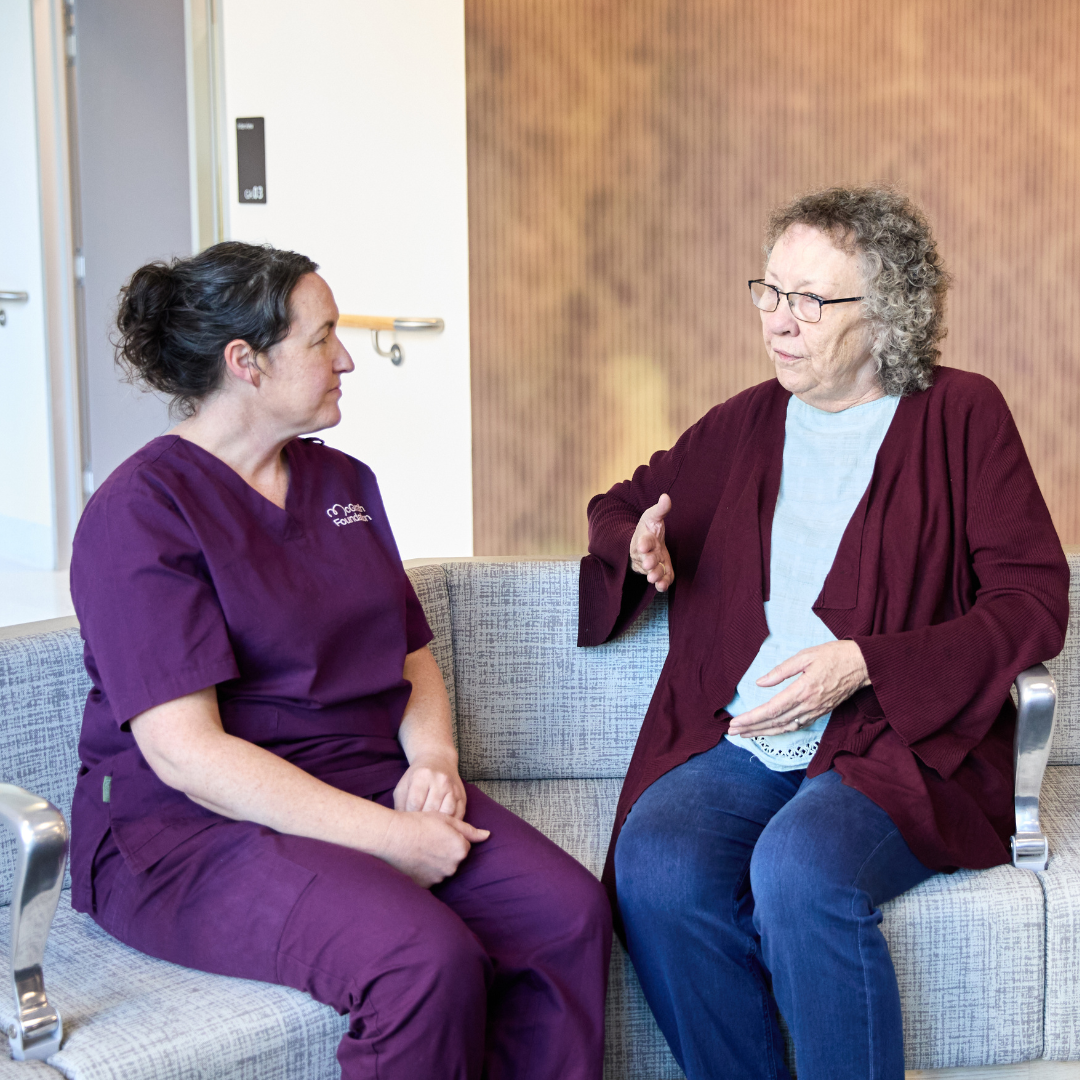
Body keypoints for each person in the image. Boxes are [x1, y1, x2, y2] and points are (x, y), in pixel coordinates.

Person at [70, 241, 611, 1080]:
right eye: (323, 338)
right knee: (420, 960)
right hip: (189, 832)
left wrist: (432, 759)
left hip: (358, 778)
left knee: (566, 913)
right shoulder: (141, 513)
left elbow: (410, 649)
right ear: (245, 362)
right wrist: (391, 838)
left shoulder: (343, 483)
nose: (347, 357)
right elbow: (188, 754)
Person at [577, 187, 1069, 1080]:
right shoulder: (744, 423)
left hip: (897, 740)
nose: (778, 321)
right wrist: (638, 539)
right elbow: (614, 507)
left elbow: (1034, 598)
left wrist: (867, 663)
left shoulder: (963, 416)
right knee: (655, 866)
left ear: (887, 315)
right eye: (769, 292)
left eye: (810, 300)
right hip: (751, 738)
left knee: (800, 870)